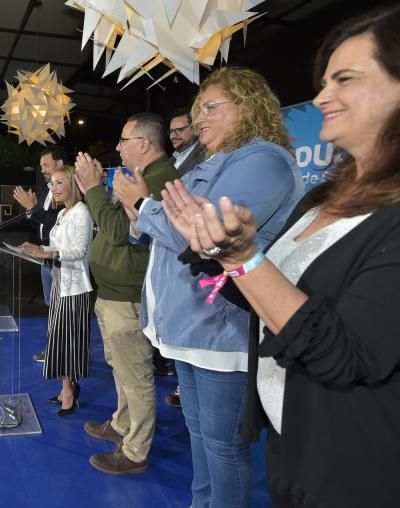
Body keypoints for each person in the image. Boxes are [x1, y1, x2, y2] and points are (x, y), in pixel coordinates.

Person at [162, 7, 400, 507]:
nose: (321, 97)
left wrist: (244, 257)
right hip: (296, 447)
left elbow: (344, 357)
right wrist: (224, 255)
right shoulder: (326, 197)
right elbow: (278, 300)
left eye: (346, 79)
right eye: (324, 80)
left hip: (354, 467)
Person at [114, 67, 304, 507]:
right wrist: (152, 211)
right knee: (200, 434)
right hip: (188, 325)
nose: (199, 117)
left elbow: (202, 234)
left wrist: (141, 205)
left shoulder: (263, 160)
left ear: (249, 105)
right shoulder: (210, 160)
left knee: (222, 446)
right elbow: (175, 224)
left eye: (211, 107)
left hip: (222, 329)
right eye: (198, 108)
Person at [73, 113, 180, 475]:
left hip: (129, 297)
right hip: (113, 293)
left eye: (123, 140)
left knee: (135, 376)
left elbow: (117, 230)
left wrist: (90, 188)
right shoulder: (141, 177)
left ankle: (135, 451)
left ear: (144, 144)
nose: (117, 147)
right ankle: (121, 424)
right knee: (121, 368)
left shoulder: (161, 178)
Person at [21, 165, 94, 417]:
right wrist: (36, 248)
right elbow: (56, 245)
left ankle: (70, 391)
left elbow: (79, 251)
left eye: (59, 182)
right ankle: (67, 387)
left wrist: (47, 252)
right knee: (59, 341)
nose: (53, 188)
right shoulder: (64, 213)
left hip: (74, 288)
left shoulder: (81, 213)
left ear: (73, 184)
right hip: (59, 283)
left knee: (69, 344)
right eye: (51, 184)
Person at [13, 146, 64, 362]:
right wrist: (31, 210)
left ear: (59, 164)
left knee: (62, 310)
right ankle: (54, 349)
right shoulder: (47, 190)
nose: (42, 169)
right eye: (41, 165)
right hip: (45, 257)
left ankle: (63, 353)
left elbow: (59, 223)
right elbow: (41, 221)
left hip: (60, 258)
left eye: (45, 165)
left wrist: (33, 209)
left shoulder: (66, 191)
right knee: (52, 307)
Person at [169, 107, 206, 176]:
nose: (172, 136)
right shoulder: (171, 159)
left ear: (194, 129)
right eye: (171, 131)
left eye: (179, 130)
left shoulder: (205, 155)